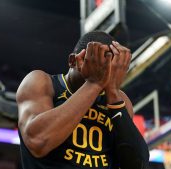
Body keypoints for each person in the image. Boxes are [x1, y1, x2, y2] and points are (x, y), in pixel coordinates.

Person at [16, 31, 149, 169]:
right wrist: (94, 84)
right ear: (73, 61)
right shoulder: (41, 82)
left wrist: (114, 93)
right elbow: (38, 142)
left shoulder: (119, 100)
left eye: (108, 68)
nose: (103, 73)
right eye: (95, 64)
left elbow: (138, 165)